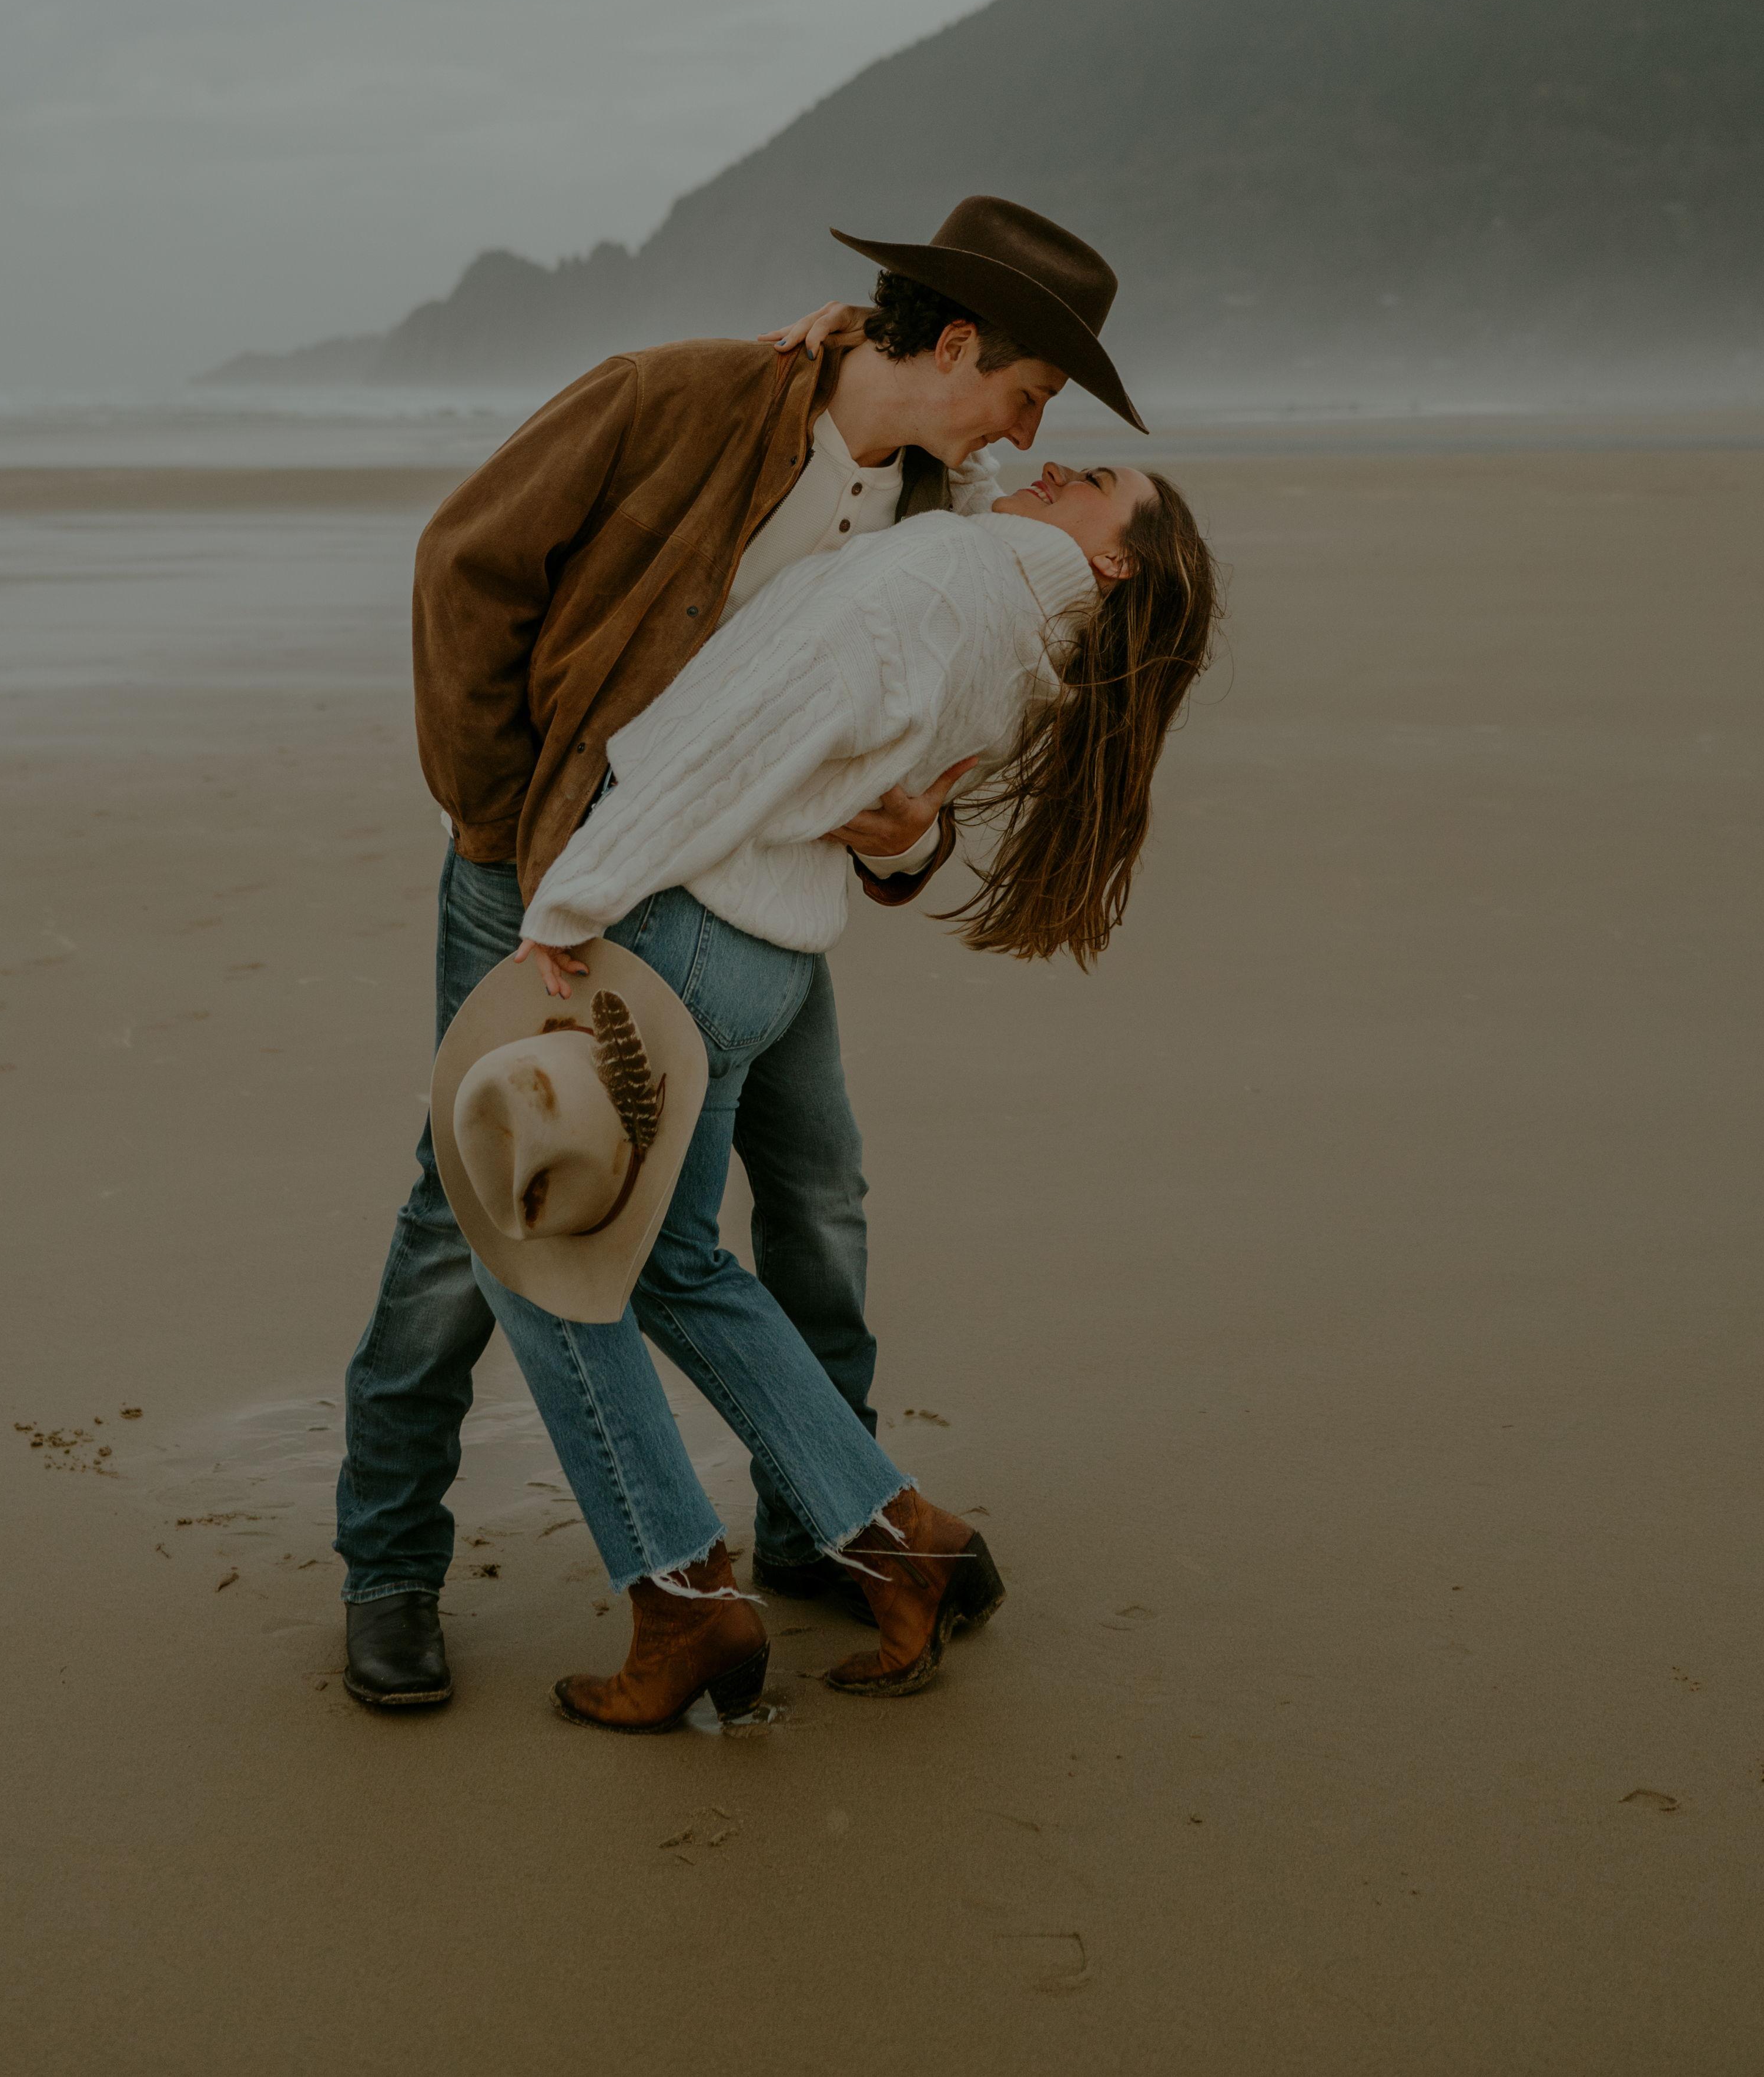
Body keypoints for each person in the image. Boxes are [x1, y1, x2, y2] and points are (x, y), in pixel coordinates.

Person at [332, 196, 1149, 1711]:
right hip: (554, 871)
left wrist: (902, 837)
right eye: (1028, 393)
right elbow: (467, 562)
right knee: (485, 1211)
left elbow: (904, 765)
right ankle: (389, 1565)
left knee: (819, 1198)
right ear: (955, 342)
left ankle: (823, 1522)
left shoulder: (943, 513)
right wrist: (507, 821)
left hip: (751, 909)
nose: (1027, 434)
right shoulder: (680, 395)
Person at [472, 448, 1223, 1727]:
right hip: (771, 952)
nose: (1051, 460)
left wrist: (575, 893)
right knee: (677, 1265)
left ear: (1112, 559)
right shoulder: (1024, 638)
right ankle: (898, 1543)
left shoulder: (940, 577)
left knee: (553, 1254)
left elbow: (738, 736)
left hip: (687, 928)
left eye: (1095, 475)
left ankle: (683, 1601)